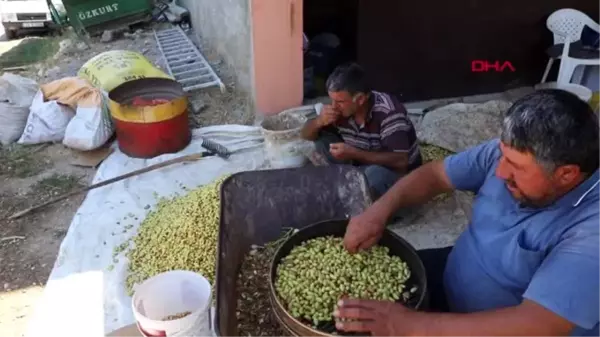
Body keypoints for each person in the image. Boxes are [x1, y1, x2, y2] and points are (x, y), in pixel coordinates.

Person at [336, 89, 600, 337]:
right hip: (452, 278)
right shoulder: (508, 153)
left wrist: (411, 326)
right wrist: (379, 211)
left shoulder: (591, 229)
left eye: (516, 167)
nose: (500, 172)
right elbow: (436, 174)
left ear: (566, 174)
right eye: (503, 156)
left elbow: (540, 323)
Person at [301, 63, 422, 200]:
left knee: (374, 176)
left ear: (360, 99)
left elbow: (401, 161)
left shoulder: (389, 113)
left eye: (340, 101)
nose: (334, 106)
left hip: (396, 173)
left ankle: (365, 202)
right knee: (321, 140)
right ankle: (349, 186)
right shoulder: (341, 110)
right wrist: (319, 121)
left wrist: (354, 153)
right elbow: (305, 135)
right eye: (332, 100)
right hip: (362, 163)